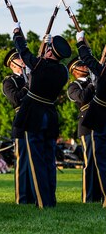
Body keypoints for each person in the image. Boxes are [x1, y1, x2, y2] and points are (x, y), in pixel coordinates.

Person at [12, 22, 71, 208]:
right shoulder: (63, 71)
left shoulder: (40, 64)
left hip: (33, 114)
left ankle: (42, 201)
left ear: (51, 52)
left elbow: (23, 52)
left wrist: (17, 33)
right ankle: (50, 200)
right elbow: (34, 59)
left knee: (36, 161)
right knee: (48, 161)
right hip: (50, 115)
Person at [76, 31, 106, 207]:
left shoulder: (102, 71)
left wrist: (80, 41)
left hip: (100, 118)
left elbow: (87, 58)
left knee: (101, 160)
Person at [2, 48, 33, 204]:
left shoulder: (31, 76)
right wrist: (28, 85)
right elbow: (15, 98)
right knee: (22, 161)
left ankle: (33, 195)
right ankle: (22, 197)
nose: (23, 61)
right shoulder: (9, 81)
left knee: (33, 160)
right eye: (20, 59)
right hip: (21, 121)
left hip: (34, 119)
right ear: (13, 63)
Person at [66, 57, 100, 203]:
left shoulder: (95, 81)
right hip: (87, 125)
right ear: (75, 70)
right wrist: (93, 83)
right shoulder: (73, 86)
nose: (86, 66)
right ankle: (88, 196)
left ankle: (100, 194)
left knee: (101, 160)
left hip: (100, 122)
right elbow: (83, 97)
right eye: (82, 65)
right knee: (90, 161)